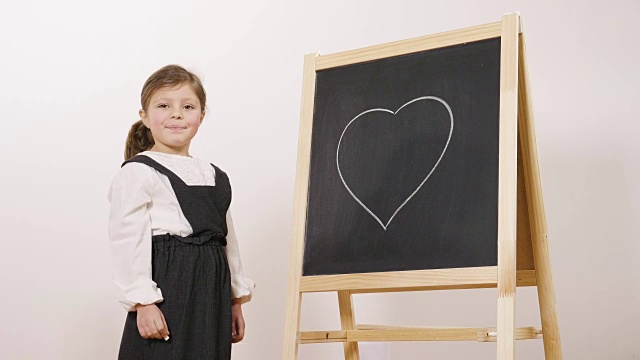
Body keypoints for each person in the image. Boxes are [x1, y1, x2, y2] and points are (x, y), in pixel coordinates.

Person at [108, 64, 254, 359]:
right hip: (168, 287)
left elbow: (228, 242)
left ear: (201, 115)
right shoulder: (139, 172)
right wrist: (143, 303)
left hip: (212, 289)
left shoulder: (215, 175)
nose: (176, 114)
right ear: (145, 117)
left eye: (187, 106)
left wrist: (234, 300)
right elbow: (127, 241)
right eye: (164, 105)